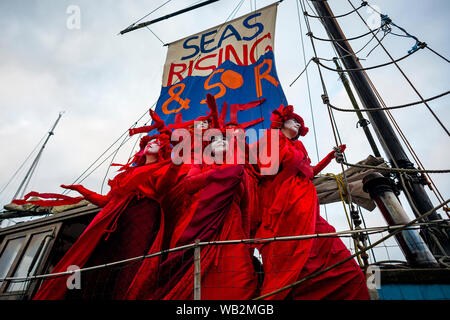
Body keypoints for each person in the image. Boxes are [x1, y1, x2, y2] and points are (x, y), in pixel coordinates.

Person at [32, 124, 174, 299]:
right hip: (113, 219)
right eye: (151, 140)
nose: (153, 143)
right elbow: (106, 201)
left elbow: (163, 187)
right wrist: (82, 190)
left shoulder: (164, 168)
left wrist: (175, 165)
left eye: (159, 142)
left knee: (130, 262)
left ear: (164, 150)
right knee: (99, 261)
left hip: (142, 215)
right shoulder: (128, 173)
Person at [255, 104, 369, 300]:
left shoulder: (298, 146)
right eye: (294, 121)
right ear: (281, 122)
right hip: (286, 205)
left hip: (308, 206)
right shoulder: (272, 140)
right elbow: (266, 169)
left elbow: (309, 173)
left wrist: (330, 157)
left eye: (300, 123)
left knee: (347, 268)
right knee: (292, 253)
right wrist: (274, 136)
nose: (298, 124)